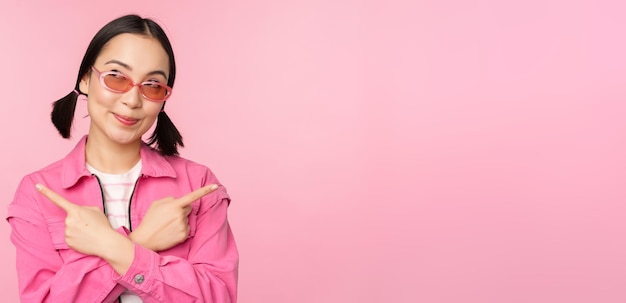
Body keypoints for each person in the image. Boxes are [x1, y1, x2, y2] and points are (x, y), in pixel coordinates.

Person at [6, 14, 238, 302]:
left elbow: (219, 297)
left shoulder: (198, 186)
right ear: (86, 79)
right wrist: (142, 242)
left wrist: (115, 248)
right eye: (116, 77)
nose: (132, 100)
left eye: (152, 85)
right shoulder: (39, 193)